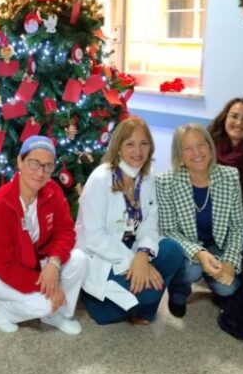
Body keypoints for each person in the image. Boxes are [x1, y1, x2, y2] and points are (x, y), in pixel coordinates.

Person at [0, 136, 89, 335]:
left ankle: (57, 315)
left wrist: (54, 263)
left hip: (31, 260)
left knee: (79, 260)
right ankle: (1, 307)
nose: (40, 173)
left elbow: (65, 231)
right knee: (42, 304)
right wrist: (50, 288)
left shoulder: (52, 191)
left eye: (48, 166)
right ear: (19, 162)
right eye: (34, 163)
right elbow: (5, 266)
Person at [76, 116, 183, 325]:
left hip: (131, 245)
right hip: (100, 253)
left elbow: (150, 223)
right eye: (130, 144)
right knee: (140, 298)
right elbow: (93, 237)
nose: (138, 151)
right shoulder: (101, 179)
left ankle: (142, 310)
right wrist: (132, 261)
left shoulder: (147, 177)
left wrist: (143, 255)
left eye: (144, 143)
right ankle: (98, 300)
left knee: (173, 251)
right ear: (118, 148)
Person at [156, 123, 243, 318]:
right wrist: (199, 253)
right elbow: (168, 230)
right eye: (187, 148)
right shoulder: (165, 181)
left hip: (218, 246)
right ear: (179, 154)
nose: (196, 152)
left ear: (210, 146)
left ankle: (215, 278)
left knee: (227, 289)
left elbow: (237, 226)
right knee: (191, 272)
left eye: (201, 145)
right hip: (187, 247)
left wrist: (230, 261)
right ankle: (179, 293)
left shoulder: (230, 176)